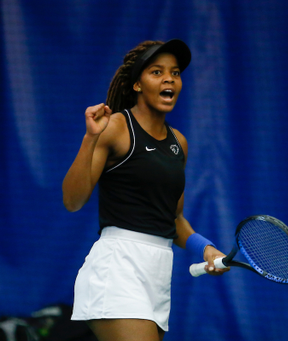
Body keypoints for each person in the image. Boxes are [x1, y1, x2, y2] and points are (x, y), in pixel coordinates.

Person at [62, 39, 229, 341]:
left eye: (175, 73)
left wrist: (204, 248)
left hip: (157, 274)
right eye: (156, 72)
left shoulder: (179, 142)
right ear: (137, 84)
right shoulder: (115, 127)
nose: (169, 79)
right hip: (116, 269)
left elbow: (174, 218)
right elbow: (72, 201)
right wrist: (90, 139)